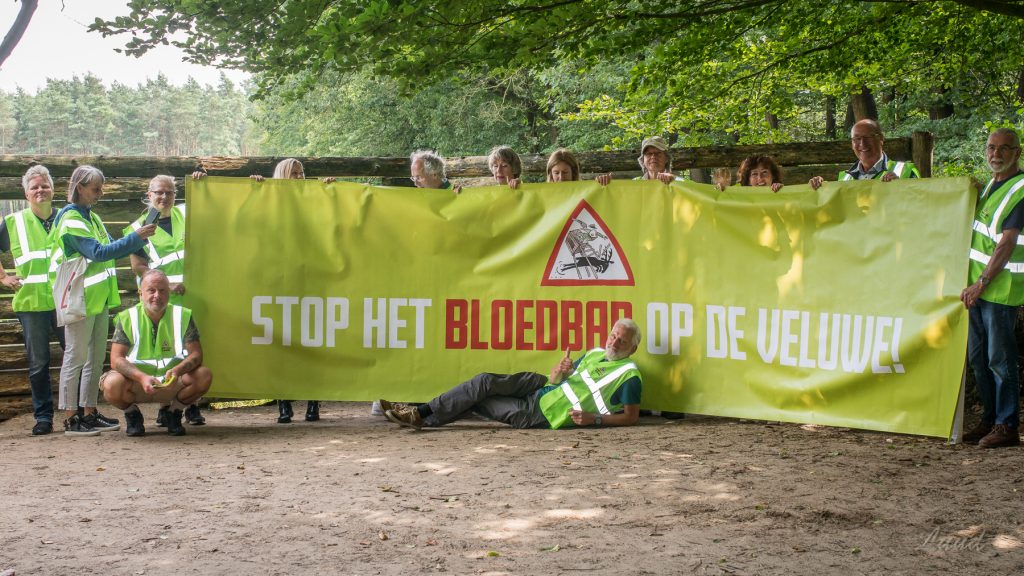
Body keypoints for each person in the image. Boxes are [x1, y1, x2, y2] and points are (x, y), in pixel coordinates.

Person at [382, 318, 643, 430]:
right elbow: (557, 379)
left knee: (479, 399)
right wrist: (560, 371)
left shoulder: (629, 375)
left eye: (622, 341)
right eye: (613, 335)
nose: (614, 342)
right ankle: (419, 413)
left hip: (543, 413)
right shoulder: (595, 352)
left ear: (632, 348)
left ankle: (420, 415)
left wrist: (594, 419)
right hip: (539, 386)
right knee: (483, 381)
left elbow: (631, 418)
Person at [50, 165, 157, 436]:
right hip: (79, 299)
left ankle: (89, 412)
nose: (100, 193)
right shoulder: (71, 219)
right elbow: (98, 253)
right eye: (96, 189)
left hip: (98, 299)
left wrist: (139, 240)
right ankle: (71, 418)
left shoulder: (92, 217)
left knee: (95, 359)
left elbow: (112, 248)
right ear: (80, 188)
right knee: (75, 357)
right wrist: (136, 237)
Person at [960, 127, 1024, 449]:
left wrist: (981, 282)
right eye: (991, 147)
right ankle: (989, 419)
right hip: (977, 289)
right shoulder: (990, 185)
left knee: (1000, 359)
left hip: (1000, 289)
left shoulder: (1020, 189)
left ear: (1017, 153)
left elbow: (1007, 243)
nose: (995, 154)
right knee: (978, 358)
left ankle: (1007, 424)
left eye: (1004, 148)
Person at [124, 175, 205, 427]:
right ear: (149, 194)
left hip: (193, 295)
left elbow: (213, 205)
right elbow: (138, 266)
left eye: (169, 192)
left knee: (190, 350)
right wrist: (165, 285)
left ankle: (190, 406)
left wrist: (202, 182)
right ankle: (164, 405)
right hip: (160, 298)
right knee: (166, 349)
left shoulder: (187, 215)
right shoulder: (138, 227)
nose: (164, 197)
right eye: (159, 192)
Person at [100, 270, 213, 437]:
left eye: (162, 290)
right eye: (151, 290)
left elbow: (196, 355)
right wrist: (141, 377)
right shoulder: (128, 317)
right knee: (111, 384)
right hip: (138, 383)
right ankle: (132, 414)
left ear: (169, 292)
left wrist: (177, 371)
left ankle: (174, 412)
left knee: (204, 375)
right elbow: (116, 359)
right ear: (140, 293)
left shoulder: (182, 315)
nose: (157, 296)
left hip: (172, 381)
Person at [253, 158, 322, 423]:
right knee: (280, 342)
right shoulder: (270, 202)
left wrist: (330, 190)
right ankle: (284, 403)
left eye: (301, 173)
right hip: (278, 280)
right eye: (294, 173)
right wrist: (254, 190)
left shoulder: (312, 200)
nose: (299, 177)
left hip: (310, 278)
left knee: (312, 341)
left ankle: (314, 401)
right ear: (283, 175)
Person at [0, 166, 65, 435]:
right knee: (39, 363)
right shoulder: (13, 222)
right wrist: (3, 277)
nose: (40, 190)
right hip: (31, 303)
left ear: (53, 189)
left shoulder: (66, 217)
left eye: (44, 185)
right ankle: (44, 417)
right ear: (26, 193)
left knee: (74, 357)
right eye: (35, 187)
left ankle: (78, 413)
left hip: (65, 301)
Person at [808, 119, 920, 189]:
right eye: (857, 138)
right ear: (852, 144)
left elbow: (920, 207)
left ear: (881, 139)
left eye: (868, 137)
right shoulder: (844, 179)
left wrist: (901, 188)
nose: (863, 143)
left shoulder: (906, 171)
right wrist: (820, 189)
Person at [596, 136, 679, 185]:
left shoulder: (678, 183)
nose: (653, 156)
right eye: (649, 154)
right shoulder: (635, 183)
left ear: (666, 158)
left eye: (658, 153)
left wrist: (674, 181)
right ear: (643, 160)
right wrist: (605, 184)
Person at [715, 155, 785, 192]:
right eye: (754, 174)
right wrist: (721, 191)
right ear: (748, 179)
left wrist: (783, 192)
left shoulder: (780, 192)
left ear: (773, 176)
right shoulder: (738, 192)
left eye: (764, 172)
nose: (760, 178)